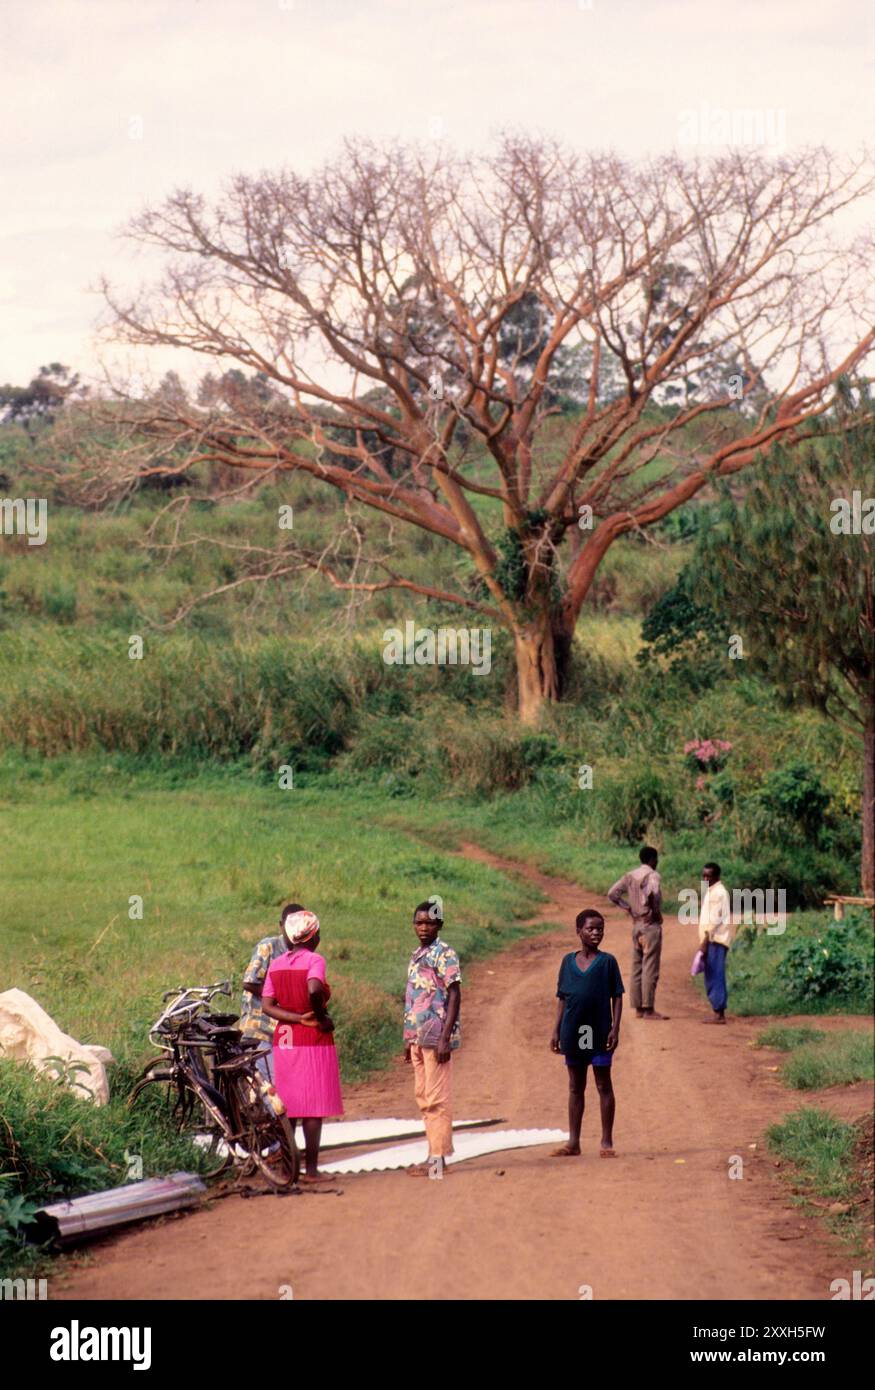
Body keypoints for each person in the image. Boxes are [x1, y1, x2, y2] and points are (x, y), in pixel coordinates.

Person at [261, 908, 343, 1184]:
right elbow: (314, 989)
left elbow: (267, 1006)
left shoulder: (277, 963)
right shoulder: (314, 960)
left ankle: (287, 1167)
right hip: (312, 1037)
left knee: (289, 1103)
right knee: (313, 1106)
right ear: (313, 935)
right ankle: (311, 1170)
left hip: (284, 1037)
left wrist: (295, 1018)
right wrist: (319, 1018)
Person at [550, 909, 624, 1158]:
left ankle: (606, 1141)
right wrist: (556, 1030)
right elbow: (562, 998)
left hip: (600, 1030)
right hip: (573, 1030)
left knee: (603, 1083)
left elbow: (617, 997)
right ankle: (573, 1142)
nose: (596, 933)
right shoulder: (567, 962)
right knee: (575, 1086)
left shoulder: (608, 962)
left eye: (600, 929)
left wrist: (615, 1027)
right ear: (578, 931)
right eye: (590, 928)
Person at [403, 900, 461, 1178]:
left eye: (429, 922)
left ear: (439, 924)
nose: (423, 927)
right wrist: (409, 1038)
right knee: (424, 1097)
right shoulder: (417, 954)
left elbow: (454, 995)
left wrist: (445, 1038)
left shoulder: (445, 954)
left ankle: (438, 1160)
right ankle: (433, 1154)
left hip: (436, 1036)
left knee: (437, 1098)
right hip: (418, 1037)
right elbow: (413, 998)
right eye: (419, 922)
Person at [240, 902, 304, 1085]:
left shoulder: (301, 953)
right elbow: (249, 982)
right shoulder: (269, 946)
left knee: (287, 1082)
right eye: (291, 925)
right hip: (260, 1027)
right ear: (281, 925)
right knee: (273, 1085)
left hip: (285, 1030)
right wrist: (280, 998)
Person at [607, 846, 668, 1020]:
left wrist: (628, 908)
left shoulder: (630, 875)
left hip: (636, 926)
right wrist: (655, 913)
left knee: (636, 967)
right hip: (650, 926)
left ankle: (638, 1009)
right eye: (656, 859)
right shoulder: (652, 876)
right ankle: (649, 1009)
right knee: (650, 966)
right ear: (652, 860)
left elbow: (612, 894)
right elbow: (653, 895)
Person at [698, 862, 734, 1024]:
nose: (706, 878)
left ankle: (719, 1013)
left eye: (709, 876)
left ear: (717, 876)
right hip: (711, 939)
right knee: (711, 973)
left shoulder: (719, 893)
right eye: (704, 875)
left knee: (716, 974)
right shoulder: (711, 891)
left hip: (716, 940)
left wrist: (705, 940)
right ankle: (716, 1010)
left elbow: (715, 919)